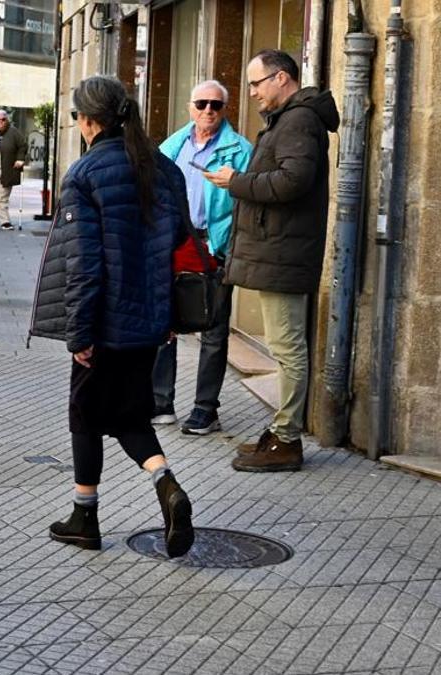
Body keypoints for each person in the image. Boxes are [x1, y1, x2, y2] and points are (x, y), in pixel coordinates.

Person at [30, 75, 195, 558]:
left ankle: (85, 515)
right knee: (129, 414)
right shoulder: (164, 169)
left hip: (102, 321)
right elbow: (178, 244)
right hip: (150, 320)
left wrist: (79, 333)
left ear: (88, 120)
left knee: (85, 415)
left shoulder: (85, 174)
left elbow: (84, 262)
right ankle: (167, 484)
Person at [205, 49, 338, 472]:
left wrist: (236, 182)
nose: (252, 92)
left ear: (281, 78)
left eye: (257, 83)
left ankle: (286, 439)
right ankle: (282, 432)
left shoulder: (299, 120)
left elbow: (292, 180)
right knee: (286, 346)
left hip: (284, 253)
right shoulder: (290, 119)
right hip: (279, 251)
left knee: (287, 348)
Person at [151, 80, 253, 433]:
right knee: (164, 324)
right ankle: (160, 402)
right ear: (190, 108)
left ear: (225, 110)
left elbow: (247, 204)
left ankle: (205, 407)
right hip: (173, 244)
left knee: (213, 328)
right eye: (202, 103)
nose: (208, 110)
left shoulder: (241, 150)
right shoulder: (171, 146)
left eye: (216, 105)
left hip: (214, 246)